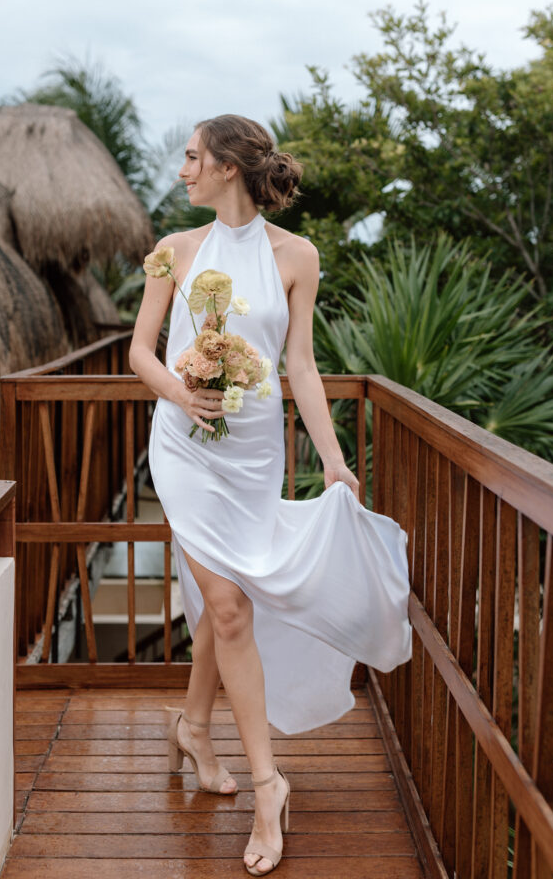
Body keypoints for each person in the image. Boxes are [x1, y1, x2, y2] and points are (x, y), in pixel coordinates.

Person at [129, 114, 411, 876]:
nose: (182, 170)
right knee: (226, 606)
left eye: (191, 157)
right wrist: (184, 398)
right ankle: (266, 784)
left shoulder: (299, 256)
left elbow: (301, 365)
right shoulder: (173, 251)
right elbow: (138, 350)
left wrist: (332, 459)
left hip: (256, 455)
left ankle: (193, 726)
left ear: (226, 167)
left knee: (225, 601)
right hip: (184, 447)